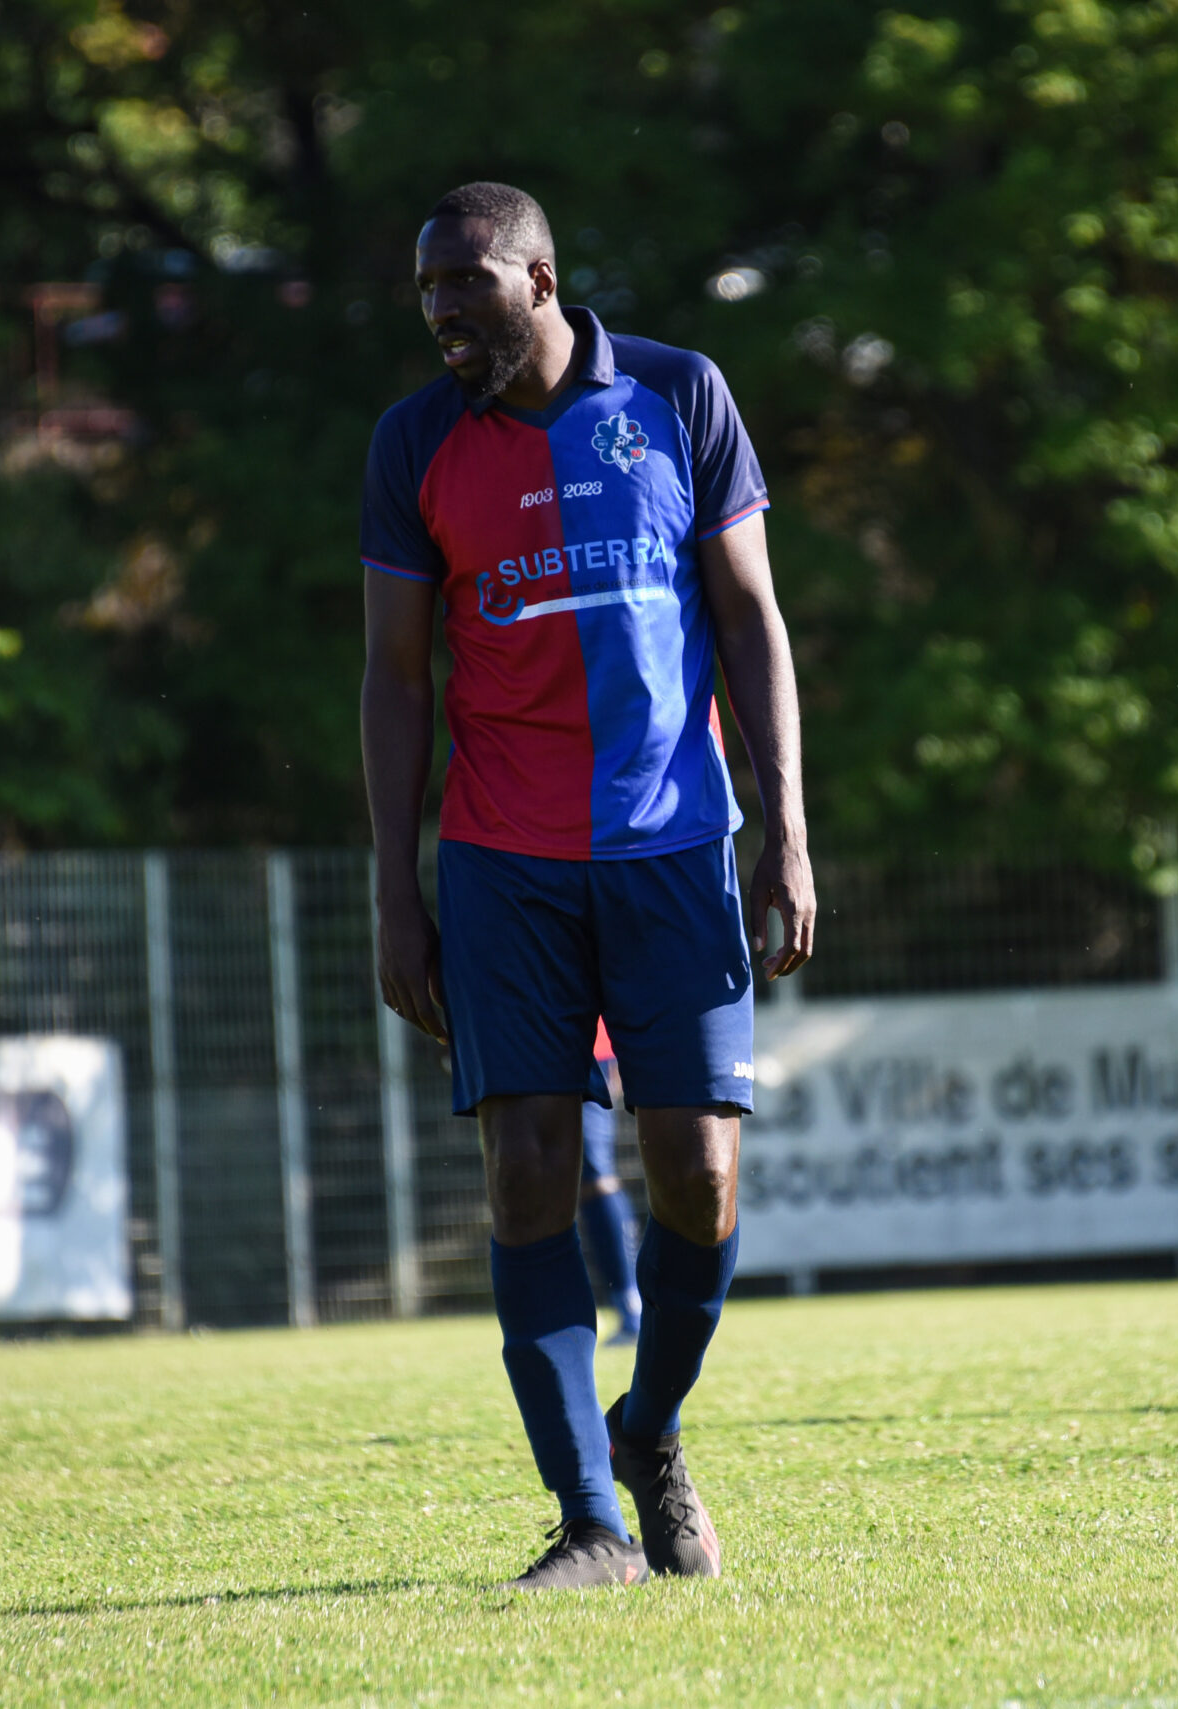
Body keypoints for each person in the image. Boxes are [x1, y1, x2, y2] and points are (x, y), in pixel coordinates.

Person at [361, 182, 814, 1589]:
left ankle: (650, 1428)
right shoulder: (413, 442)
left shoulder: (680, 393)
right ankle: (589, 1521)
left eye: (465, 282)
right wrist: (394, 891)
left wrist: (788, 832)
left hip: (676, 844)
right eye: (425, 290)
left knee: (701, 1177)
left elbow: (751, 616)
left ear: (540, 278)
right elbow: (393, 679)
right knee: (526, 1174)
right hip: (504, 859)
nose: (441, 311)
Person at [579, 1022, 644, 1347]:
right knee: (577, 1183)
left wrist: (614, 1049)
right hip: (536, 1038)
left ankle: (632, 1309)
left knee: (596, 1178)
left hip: (590, 1047)